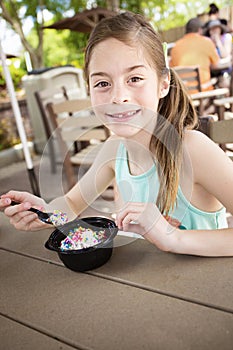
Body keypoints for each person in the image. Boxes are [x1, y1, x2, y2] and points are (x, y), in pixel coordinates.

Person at [1, 11, 233, 257]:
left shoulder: (193, 149)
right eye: (103, 83)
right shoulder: (114, 150)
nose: (117, 97)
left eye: (134, 78)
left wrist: (173, 237)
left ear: (163, 84)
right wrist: (45, 213)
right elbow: (70, 204)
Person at [169, 17, 220, 91]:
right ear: (200, 30)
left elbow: (173, 70)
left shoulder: (175, 46)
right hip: (204, 89)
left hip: (183, 91)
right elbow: (216, 65)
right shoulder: (206, 42)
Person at [203, 19, 232, 87]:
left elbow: (225, 55)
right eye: (212, 29)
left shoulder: (226, 37)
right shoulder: (207, 41)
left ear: (220, 29)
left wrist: (218, 41)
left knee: (225, 81)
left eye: (216, 28)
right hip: (212, 71)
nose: (214, 31)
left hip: (225, 69)